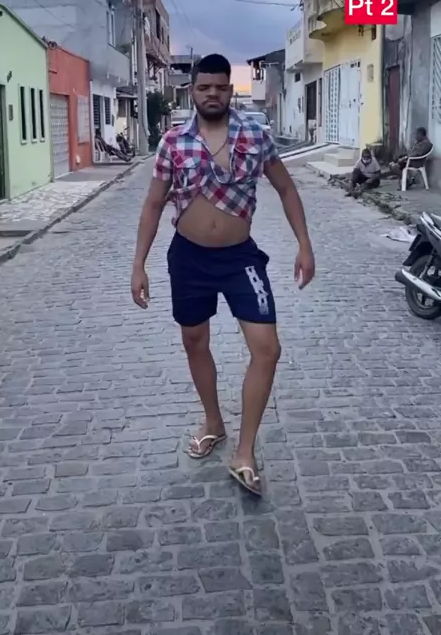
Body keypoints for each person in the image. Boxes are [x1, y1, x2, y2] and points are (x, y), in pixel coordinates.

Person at [131, 53, 315, 496]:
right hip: (188, 258)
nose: (212, 94)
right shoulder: (173, 142)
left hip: (240, 259)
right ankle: (213, 421)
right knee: (195, 341)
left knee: (267, 349)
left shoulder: (255, 135)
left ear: (230, 90)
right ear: (192, 91)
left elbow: (286, 188)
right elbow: (154, 204)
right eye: (204, 87)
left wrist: (304, 244)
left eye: (219, 87)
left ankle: (245, 452)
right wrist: (138, 264)